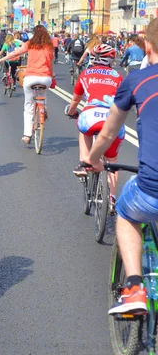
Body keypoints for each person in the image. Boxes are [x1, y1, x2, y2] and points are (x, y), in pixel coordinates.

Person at [85, 19, 158, 315]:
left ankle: (135, 287)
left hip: (152, 189)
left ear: (147, 46)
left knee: (126, 212)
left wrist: (93, 158)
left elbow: (107, 133)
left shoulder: (138, 80)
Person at [66, 43, 125, 203]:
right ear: (111, 60)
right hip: (112, 119)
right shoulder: (117, 76)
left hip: (91, 116)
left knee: (83, 129)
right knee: (112, 161)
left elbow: (76, 99)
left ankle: (84, 163)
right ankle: (112, 199)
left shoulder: (85, 74)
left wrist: (71, 112)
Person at [0, 25, 54, 143]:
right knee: (43, 95)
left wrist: (2, 59)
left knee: (28, 106)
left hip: (31, 77)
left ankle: (27, 135)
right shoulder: (49, 46)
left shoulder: (30, 44)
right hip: (45, 77)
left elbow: (15, 53)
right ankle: (44, 108)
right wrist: (52, 77)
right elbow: (50, 64)